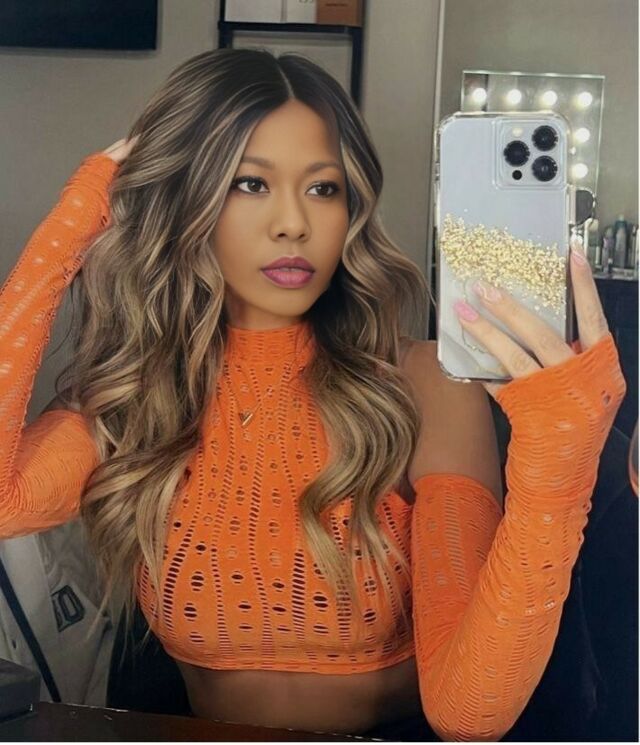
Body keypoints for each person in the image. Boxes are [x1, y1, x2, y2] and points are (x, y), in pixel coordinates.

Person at [0, 48, 627, 739]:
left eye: (323, 188)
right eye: (250, 183)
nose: (293, 222)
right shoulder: (139, 396)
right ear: (186, 200)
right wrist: (69, 228)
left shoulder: (425, 384)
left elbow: (467, 714)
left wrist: (558, 469)